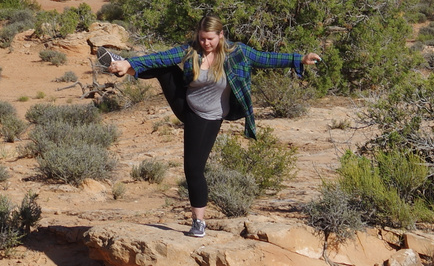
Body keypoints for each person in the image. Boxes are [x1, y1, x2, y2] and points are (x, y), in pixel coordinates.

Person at [107, 16, 318, 237]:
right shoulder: (192, 50)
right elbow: (161, 57)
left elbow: (267, 58)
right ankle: (123, 65)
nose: (205, 43)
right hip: (186, 104)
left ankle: (199, 223)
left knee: (193, 168)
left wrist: (300, 59)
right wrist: (130, 63)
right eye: (202, 38)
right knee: (165, 68)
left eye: (210, 39)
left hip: (209, 116)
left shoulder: (238, 53)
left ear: (221, 35)